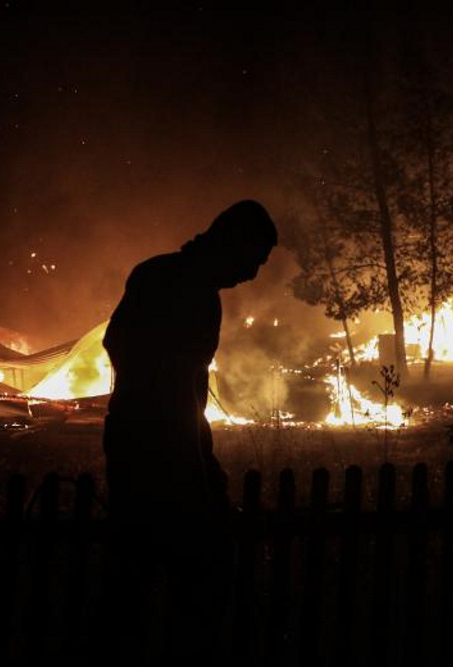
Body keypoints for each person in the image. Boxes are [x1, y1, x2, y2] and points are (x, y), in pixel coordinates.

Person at [99, 199, 277, 665]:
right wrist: (200, 473)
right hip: (166, 459)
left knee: (130, 582)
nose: (253, 274)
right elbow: (178, 394)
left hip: (128, 442)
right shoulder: (196, 297)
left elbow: (115, 344)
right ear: (231, 243)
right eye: (255, 259)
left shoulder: (151, 273)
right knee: (199, 582)